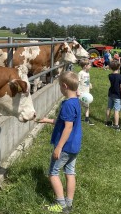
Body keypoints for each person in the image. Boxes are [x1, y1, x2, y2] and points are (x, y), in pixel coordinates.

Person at [36, 71, 82, 213]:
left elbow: (67, 128)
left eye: (60, 87)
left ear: (64, 86)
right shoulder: (75, 102)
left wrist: (59, 147)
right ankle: (69, 203)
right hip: (74, 145)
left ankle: (61, 206)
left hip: (65, 146)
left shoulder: (67, 105)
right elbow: (65, 122)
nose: (60, 90)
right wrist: (48, 120)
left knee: (53, 173)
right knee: (70, 172)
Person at [106, 60, 121, 131]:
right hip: (117, 96)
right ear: (119, 67)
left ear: (111, 67)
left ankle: (107, 121)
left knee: (109, 108)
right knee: (116, 110)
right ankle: (116, 125)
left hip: (111, 94)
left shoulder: (110, 75)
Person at [77, 59, 94, 125]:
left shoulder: (87, 73)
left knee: (87, 106)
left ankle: (87, 119)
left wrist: (90, 84)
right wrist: (78, 91)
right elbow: (77, 83)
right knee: (79, 106)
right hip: (81, 93)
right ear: (85, 66)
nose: (91, 66)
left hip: (87, 92)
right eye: (90, 65)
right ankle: (77, 118)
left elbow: (87, 80)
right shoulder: (80, 73)